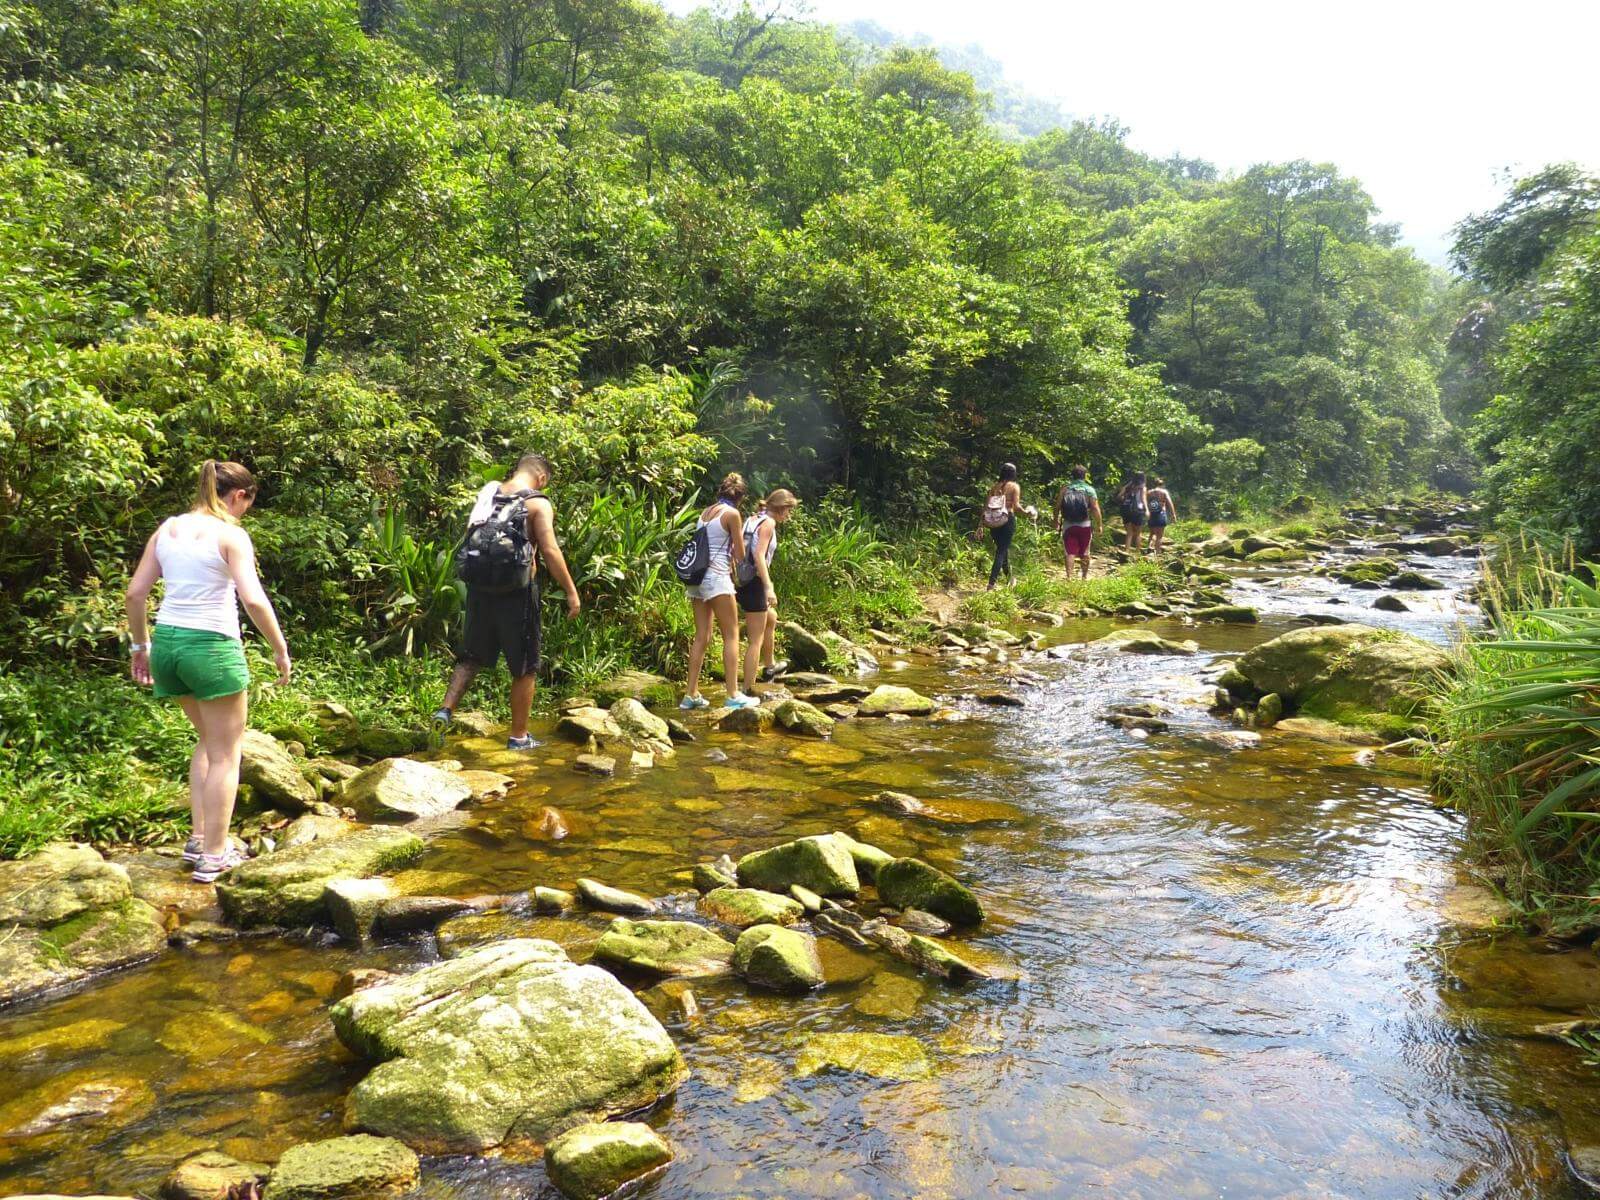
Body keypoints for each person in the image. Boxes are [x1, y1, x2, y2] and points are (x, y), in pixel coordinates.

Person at [125, 460, 291, 883]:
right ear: (239, 496)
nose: (245, 513)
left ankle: (200, 839)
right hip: (211, 647)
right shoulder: (230, 534)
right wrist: (279, 648)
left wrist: (140, 646)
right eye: (247, 505)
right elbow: (253, 600)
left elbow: (135, 592)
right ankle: (216, 856)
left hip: (168, 645)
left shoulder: (168, 528)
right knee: (226, 753)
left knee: (208, 742)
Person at [432, 453, 580, 750]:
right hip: (518, 595)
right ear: (542, 478)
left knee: (471, 656)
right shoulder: (538, 503)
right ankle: (519, 737)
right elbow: (550, 550)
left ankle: (444, 711)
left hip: (479, 589)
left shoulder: (488, 492)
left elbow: (470, 536)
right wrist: (571, 592)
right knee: (524, 666)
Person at [682, 473, 759, 710]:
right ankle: (733, 694)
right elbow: (739, 554)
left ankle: (691, 694)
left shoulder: (705, 513)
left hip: (697, 580)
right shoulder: (732, 514)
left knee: (702, 636)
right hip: (717, 578)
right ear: (741, 497)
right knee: (731, 635)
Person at [737, 488, 799, 694]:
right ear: (781, 509)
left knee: (771, 617)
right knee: (755, 640)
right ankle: (747, 689)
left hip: (740, 579)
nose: (789, 515)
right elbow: (759, 556)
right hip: (754, 582)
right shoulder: (769, 523)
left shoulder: (753, 518)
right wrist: (768, 587)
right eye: (788, 510)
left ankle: (769, 667)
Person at [976, 463, 1023, 590]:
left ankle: (1010, 579)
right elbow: (1016, 506)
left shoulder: (994, 487)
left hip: (993, 522)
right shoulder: (1014, 486)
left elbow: (986, 507)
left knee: (1002, 550)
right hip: (1007, 520)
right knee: (1001, 551)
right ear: (1013, 473)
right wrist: (1027, 512)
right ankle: (991, 583)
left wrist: (980, 525)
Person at [1054, 464, 1102, 579]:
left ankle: (1069, 577)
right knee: (1085, 551)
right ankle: (1084, 578)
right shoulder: (1089, 489)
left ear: (1073, 476)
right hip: (1084, 525)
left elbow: (1057, 507)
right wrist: (1099, 524)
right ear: (1085, 476)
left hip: (1068, 525)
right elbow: (1095, 508)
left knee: (1069, 552)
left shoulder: (1065, 489)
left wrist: (1055, 521)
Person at [1116, 471, 1148, 552]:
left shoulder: (1128, 487)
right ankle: (1137, 553)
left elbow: (1119, 496)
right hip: (1137, 511)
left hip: (1126, 510)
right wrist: (1147, 510)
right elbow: (1143, 499)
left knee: (1129, 533)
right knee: (1138, 533)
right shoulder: (1142, 488)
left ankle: (1127, 551)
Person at [1145, 476, 1177, 554]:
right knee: (1159, 536)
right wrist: (1173, 515)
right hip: (1161, 514)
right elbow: (1170, 503)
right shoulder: (1164, 492)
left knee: (1152, 533)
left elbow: (1145, 503)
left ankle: (1149, 547)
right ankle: (1158, 552)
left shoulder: (1149, 492)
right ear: (1162, 484)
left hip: (1152, 514)